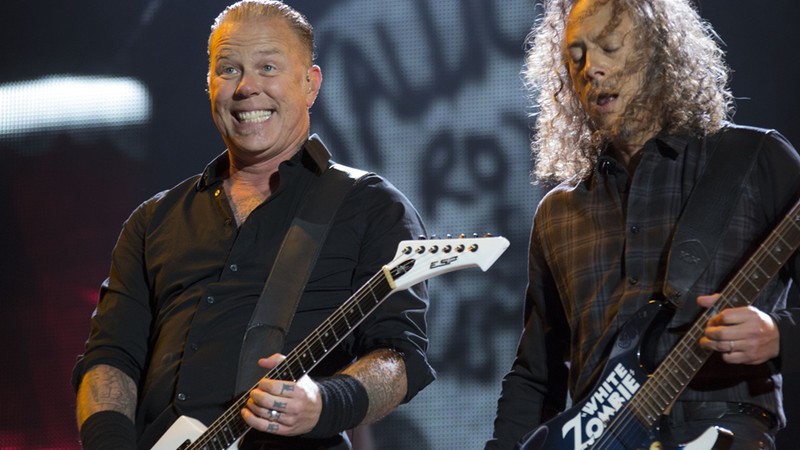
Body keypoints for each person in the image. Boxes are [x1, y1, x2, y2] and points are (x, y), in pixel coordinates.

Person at [72, 1, 435, 449]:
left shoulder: (371, 208)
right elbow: (109, 358)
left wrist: (325, 401)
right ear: (209, 85)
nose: (246, 87)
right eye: (228, 69)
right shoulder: (153, 221)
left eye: (268, 67)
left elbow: (400, 357)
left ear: (310, 84)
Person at [486, 0, 800, 449]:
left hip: (724, 428)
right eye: (575, 57)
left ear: (659, 50)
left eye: (609, 46)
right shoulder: (558, 213)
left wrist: (778, 335)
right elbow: (536, 377)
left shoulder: (753, 161)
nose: (590, 68)